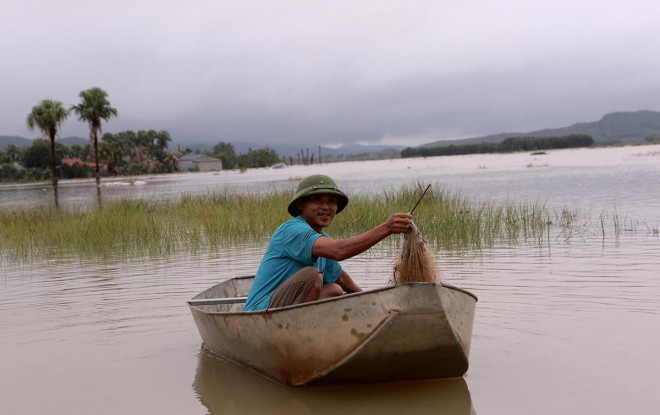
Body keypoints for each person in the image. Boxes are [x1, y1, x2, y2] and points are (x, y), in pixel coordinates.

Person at [243, 174, 412, 311]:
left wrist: (376, 304)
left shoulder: (323, 241)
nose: (326, 207)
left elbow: (340, 278)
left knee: (334, 290)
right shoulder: (292, 230)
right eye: (317, 200)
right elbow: (338, 251)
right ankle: (299, 329)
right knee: (313, 275)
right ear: (301, 204)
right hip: (262, 312)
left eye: (331, 201)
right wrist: (387, 228)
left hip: (287, 308)